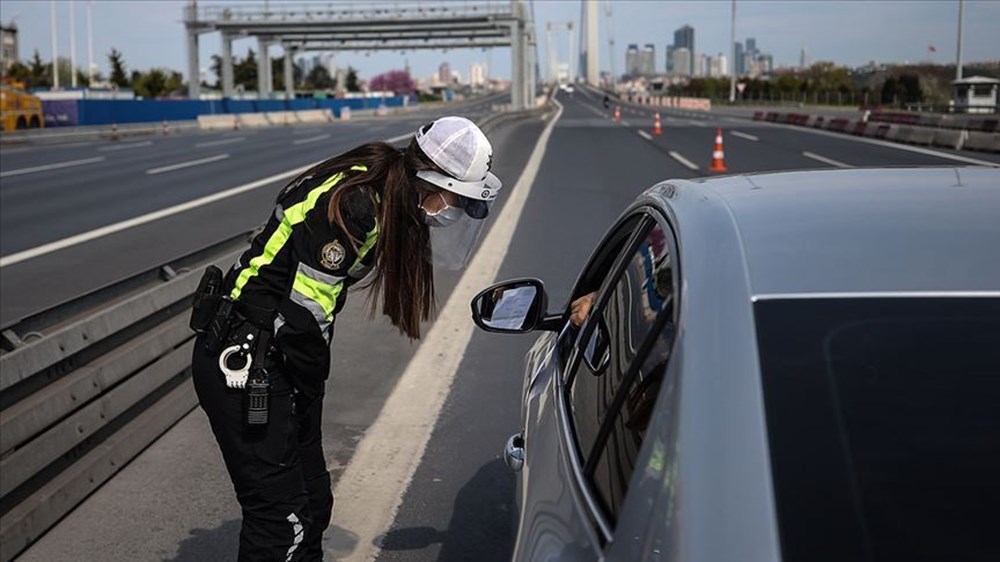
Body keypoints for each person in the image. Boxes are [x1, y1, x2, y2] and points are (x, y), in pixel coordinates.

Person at [189, 116, 502, 561]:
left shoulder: (385, 192)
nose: (456, 211)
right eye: (457, 198)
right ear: (430, 179)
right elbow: (302, 320)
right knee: (282, 522)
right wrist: (309, 386)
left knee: (313, 504)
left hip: (277, 359)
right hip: (244, 362)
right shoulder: (355, 203)